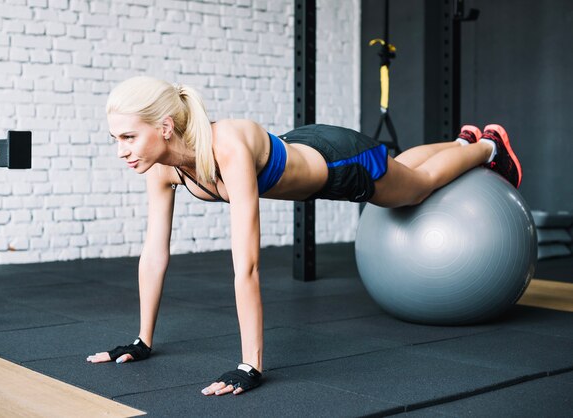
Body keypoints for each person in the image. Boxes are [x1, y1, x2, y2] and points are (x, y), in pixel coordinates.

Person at [86, 76, 522, 396]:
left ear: (164, 126)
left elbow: (248, 266)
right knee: (406, 167)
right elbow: (154, 254)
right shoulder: (163, 169)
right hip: (303, 146)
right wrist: (143, 341)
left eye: (128, 136)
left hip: (339, 165)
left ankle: (488, 149)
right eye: (115, 138)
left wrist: (249, 366)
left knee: (417, 188)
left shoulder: (227, 148)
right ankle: (462, 142)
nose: (121, 150)